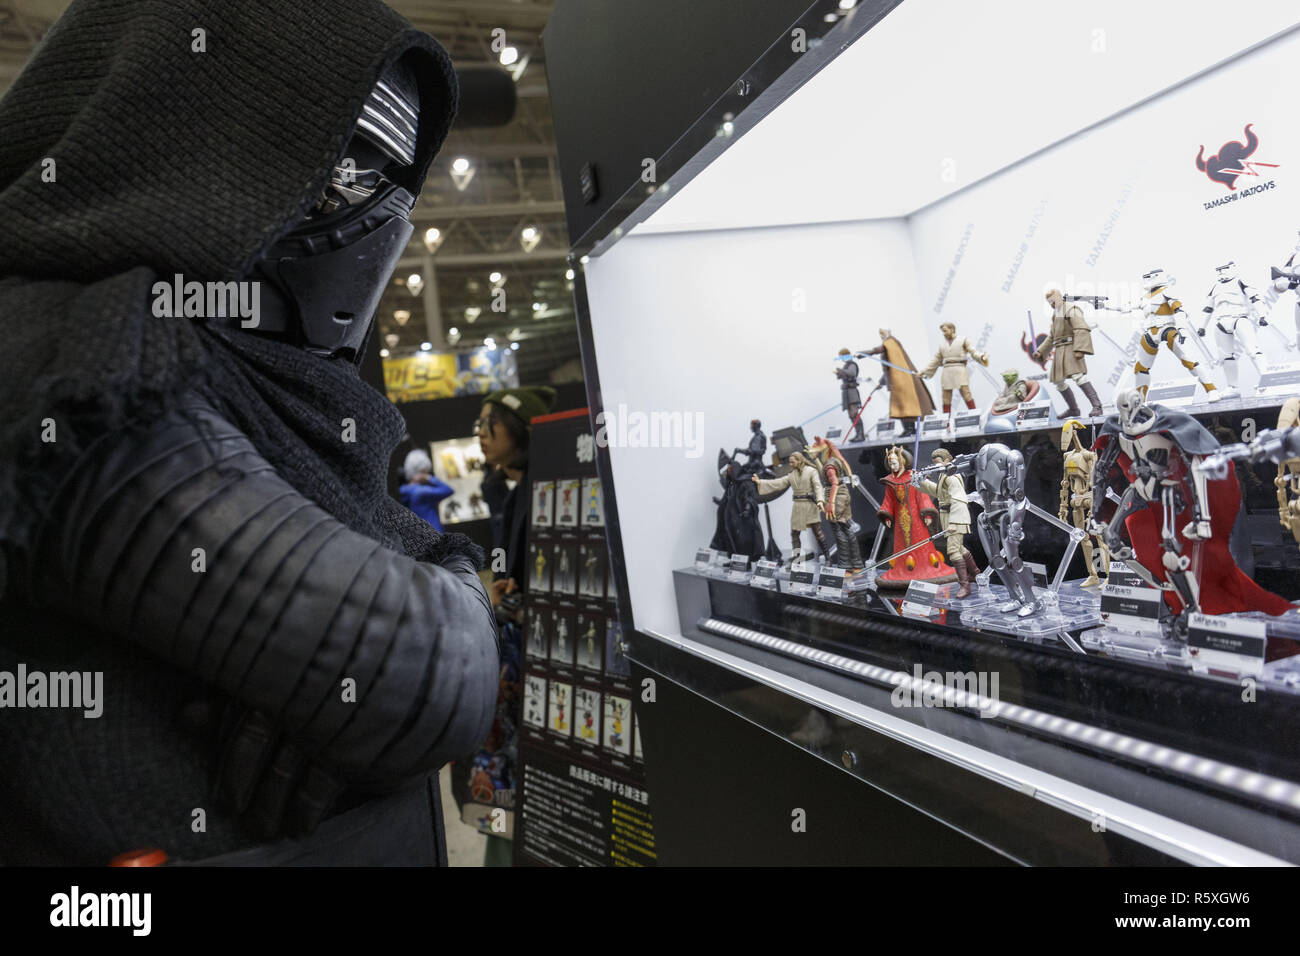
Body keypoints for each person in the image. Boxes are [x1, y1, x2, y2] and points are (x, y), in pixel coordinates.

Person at [0, 0, 499, 865]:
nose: (379, 213)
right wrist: (383, 651)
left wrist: (422, 588)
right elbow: (426, 670)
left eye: (390, 175)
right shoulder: (65, 353)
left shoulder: (288, 382)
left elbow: (402, 586)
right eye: (344, 168)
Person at [454, 385, 556, 866]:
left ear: (518, 431)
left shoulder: (540, 491)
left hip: (531, 655)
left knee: (512, 760)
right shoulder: (515, 490)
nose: (480, 435)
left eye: (487, 425)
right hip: (515, 647)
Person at [399, 448, 455, 531]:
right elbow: (448, 490)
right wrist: (429, 478)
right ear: (421, 472)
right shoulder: (421, 492)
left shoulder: (404, 490)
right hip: (433, 531)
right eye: (425, 472)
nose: (427, 474)